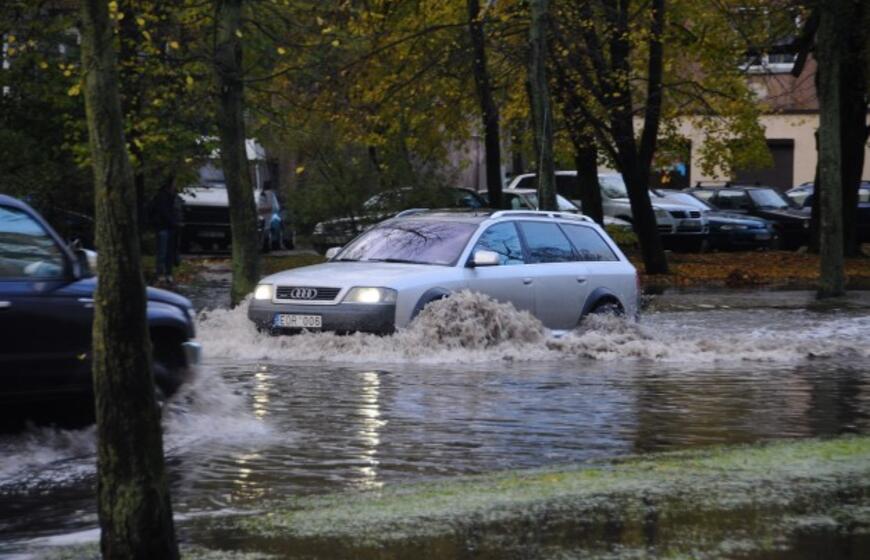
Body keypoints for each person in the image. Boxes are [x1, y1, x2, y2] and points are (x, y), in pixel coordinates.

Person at [150, 176, 181, 284]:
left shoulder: (173, 196)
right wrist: (174, 222)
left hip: (170, 227)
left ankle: (167, 273)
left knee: (169, 252)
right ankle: (161, 273)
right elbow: (164, 212)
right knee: (163, 252)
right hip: (164, 226)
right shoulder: (162, 196)